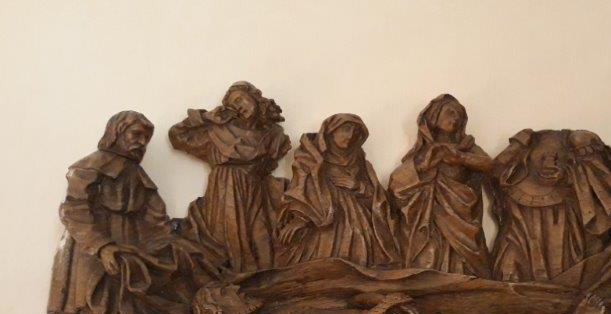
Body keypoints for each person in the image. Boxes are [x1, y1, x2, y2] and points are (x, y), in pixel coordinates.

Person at [35, 112, 217, 314]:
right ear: (116, 133)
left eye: (146, 138)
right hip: (92, 246)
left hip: (130, 244)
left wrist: (172, 238)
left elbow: (155, 216)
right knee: (93, 300)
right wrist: (104, 248)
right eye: (136, 135)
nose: (141, 142)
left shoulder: (136, 174)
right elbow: (75, 211)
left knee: (138, 291)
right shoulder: (90, 167)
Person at [169, 81, 291, 272]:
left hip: (257, 191)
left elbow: (272, 159)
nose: (239, 106)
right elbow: (177, 136)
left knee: (262, 237)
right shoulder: (219, 132)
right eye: (233, 105)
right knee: (230, 239)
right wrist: (207, 117)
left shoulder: (274, 135)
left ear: (255, 97)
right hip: (225, 190)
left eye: (240, 99)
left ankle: (267, 281)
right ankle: (234, 281)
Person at [491, 128, 611, 281]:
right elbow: (495, 168)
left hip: (566, 225)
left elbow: (607, 186)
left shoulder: (579, 159)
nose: (549, 163)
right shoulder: (519, 165)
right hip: (521, 222)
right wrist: (519, 142)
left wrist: (575, 163)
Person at [275, 114, 401, 267]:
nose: (350, 135)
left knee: (358, 262)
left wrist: (358, 186)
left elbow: (380, 203)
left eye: (355, 131)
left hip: (358, 224)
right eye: (346, 129)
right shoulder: (310, 159)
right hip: (321, 221)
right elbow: (299, 191)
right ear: (330, 131)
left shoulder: (363, 165)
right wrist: (300, 219)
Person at [389, 94, 493, 277]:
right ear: (434, 116)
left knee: (465, 268)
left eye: (459, 115)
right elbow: (396, 183)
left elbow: (491, 166)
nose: (455, 118)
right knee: (430, 258)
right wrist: (424, 165)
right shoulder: (424, 152)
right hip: (430, 217)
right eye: (450, 112)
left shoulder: (467, 146)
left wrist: (460, 158)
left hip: (462, 217)